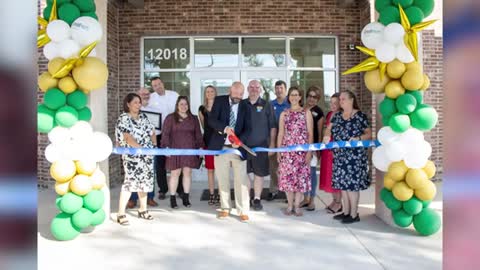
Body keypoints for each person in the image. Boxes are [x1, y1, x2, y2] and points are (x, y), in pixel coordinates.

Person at [323, 90, 372, 224]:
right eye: (341, 99)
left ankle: (354, 214)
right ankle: (346, 212)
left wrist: (358, 138)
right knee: (343, 186)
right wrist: (326, 136)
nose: (341, 101)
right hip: (339, 156)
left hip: (355, 158)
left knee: (352, 187)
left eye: (344, 99)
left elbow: (369, 134)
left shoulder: (360, 116)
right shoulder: (337, 116)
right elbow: (329, 128)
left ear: (351, 100)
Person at [208, 81, 252, 222]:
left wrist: (238, 141)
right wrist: (225, 128)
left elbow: (249, 128)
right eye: (235, 93)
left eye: (240, 94)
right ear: (229, 91)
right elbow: (212, 120)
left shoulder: (246, 105)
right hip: (221, 148)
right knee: (223, 179)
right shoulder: (219, 101)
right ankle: (225, 208)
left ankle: (242, 210)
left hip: (237, 150)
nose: (238, 97)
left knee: (241, 181)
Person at [115, 93, 156, 225]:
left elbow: (152, 131)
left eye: (139, 102)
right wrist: (140, 149)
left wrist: (153, 146)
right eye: (135, 102)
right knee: (130, 183)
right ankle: (121, 213)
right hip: (132, 156)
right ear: (128, 104)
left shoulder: (144, 116)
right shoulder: (123, 118)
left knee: (144, 183)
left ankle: (143, 210)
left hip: (147, 155)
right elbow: (127, 137)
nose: (138, 105)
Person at [140, 77, 184, 201]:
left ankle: (179, 189)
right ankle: (163, 189)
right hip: (158, 134)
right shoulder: (151, 98)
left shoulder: (174, 95)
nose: (158, 87)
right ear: (152, 87)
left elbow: (181, 109)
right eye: (155, 85)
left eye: (159, 84)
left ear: (162, 83)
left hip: (175, 133)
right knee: (160, 163)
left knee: (177, 161)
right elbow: (144, 111)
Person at [161, 96, 204, 209]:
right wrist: (165, 147)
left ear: (188, 106)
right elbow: (165, 134)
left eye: (186, 104)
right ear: (177, 105)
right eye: (181, 104)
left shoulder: (193, 118)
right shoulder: (170, 118)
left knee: (187, 173)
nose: (184, 106)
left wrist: (200, 147)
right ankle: (173, 198)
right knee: (175, 174)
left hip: (189, 149)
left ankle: (186, 198)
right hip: (174, 149)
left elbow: (198, 135)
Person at [277, 86, 313, 217]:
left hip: (302, 152)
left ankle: (297, 206)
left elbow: (310, 133)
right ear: (289, 97)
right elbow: (281, 133)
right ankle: (290, 205)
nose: (293, 97)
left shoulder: (306, 112)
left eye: (296, 94)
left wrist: (309, 151)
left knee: (300, 179)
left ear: (300, 97)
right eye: (291, 94)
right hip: (287, 152)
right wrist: (278, 151)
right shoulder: (284, 113)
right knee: (288, 180)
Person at [243, 80, 276, 211]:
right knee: (243, 174)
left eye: (257, 87)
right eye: (251, 87)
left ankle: (257, 198)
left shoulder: (266, 105)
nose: (254, 89)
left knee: (259, 174)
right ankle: (245, 198)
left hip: (261, 146)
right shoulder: (241, 104)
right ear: (247, 89)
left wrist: (272, 145)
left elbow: (273, 126)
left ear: (260, 90)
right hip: (243, 146)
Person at [127, 87, 158, 208]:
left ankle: (150, 197)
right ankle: (133, 199)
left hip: (149, 146)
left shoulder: (153, 110)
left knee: (150, 172)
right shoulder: (130, 115)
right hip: (134, 147)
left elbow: (153, 130)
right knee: (134, 174)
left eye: (147, 94)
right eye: (142, 94)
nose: (145, 96)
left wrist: (154, 145)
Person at [299, 86, 325, 211]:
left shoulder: (318, 112)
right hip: (300, 146)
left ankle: (312, 200)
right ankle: (305, 198)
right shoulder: (302, 109)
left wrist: (318, 149)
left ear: (318, 99)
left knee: (312, 173)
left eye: (315, 97)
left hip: (312, 146)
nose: (312, 98)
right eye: (310, 95)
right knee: (303, 174)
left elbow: (319, 132)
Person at [267, 80, 290, 201]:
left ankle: (288, 193)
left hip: (287, 140)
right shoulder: (270, 104)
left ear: (285, 89)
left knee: (286, 167)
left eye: (281, 88)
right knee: (273, 167)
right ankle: (273, 190)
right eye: (277, 88)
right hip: (273, 139)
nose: (279, 90)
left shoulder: (290, 104)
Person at [319, 93, 342, 214]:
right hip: (327, 149)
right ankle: (334, 201)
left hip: (335, 149)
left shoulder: (341, 115)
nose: (332, 105)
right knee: (329, 176)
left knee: (335, 177)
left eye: (335, 103)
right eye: (331, 103)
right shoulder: (329, 114)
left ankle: (339, 203)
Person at [198, 85, 220, 206]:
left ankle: (222, 194)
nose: (210, 93)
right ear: (205, 94)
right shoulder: (201, 109)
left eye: (212, 91)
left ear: (215, 93)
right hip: (208, 142)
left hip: (220, 143)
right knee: (210, 170)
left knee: (221, 170)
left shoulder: (220, 107)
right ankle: (212, 194)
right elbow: (203, 125)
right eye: (207, 91)